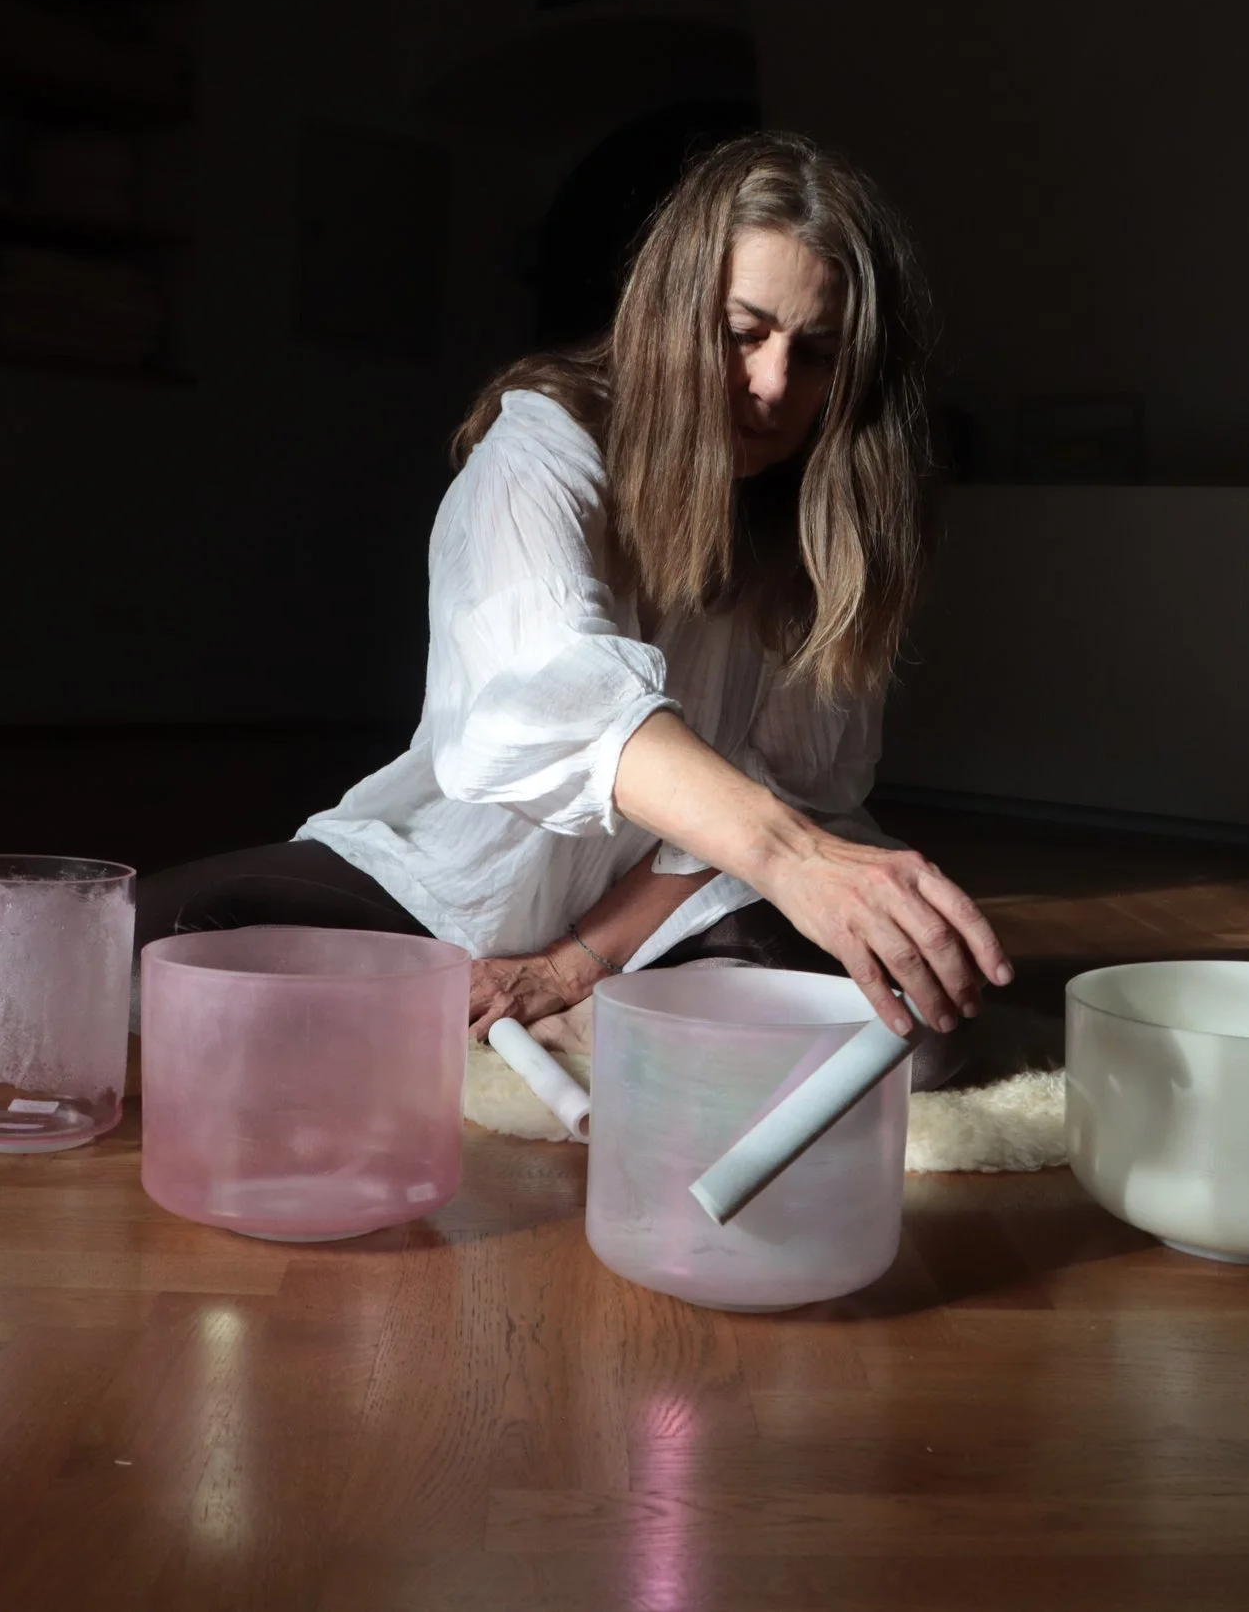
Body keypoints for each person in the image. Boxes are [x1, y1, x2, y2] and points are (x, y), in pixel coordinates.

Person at [134, 131, 1012, 1066]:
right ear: (676, 314)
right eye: (743, 331)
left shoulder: (830, 525)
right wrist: (795, 857)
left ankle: (595, 1014)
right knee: (146, 948)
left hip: (661, 918)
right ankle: (588, 1024)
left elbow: (787, 789)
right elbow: (558, 694)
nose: (771, 385)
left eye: (819, 352)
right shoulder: (540, 451)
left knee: (904, 1035)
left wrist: (575, 964)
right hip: (451, 888)